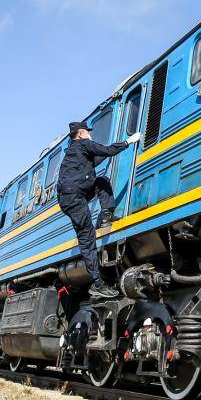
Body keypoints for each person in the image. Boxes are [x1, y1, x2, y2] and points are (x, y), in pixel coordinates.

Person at [58, 120, 139, 300]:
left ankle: (106, 214)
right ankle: (97, 284)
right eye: (88, 132)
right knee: (87, 238)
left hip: (73, 196)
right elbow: (106, 151)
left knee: (102, 182)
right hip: (74, 199)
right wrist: (128, 141)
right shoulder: (83, 144)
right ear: (80, 133)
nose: (90, 134)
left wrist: (110, 152)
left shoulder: (75, 152)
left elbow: (97, 159)